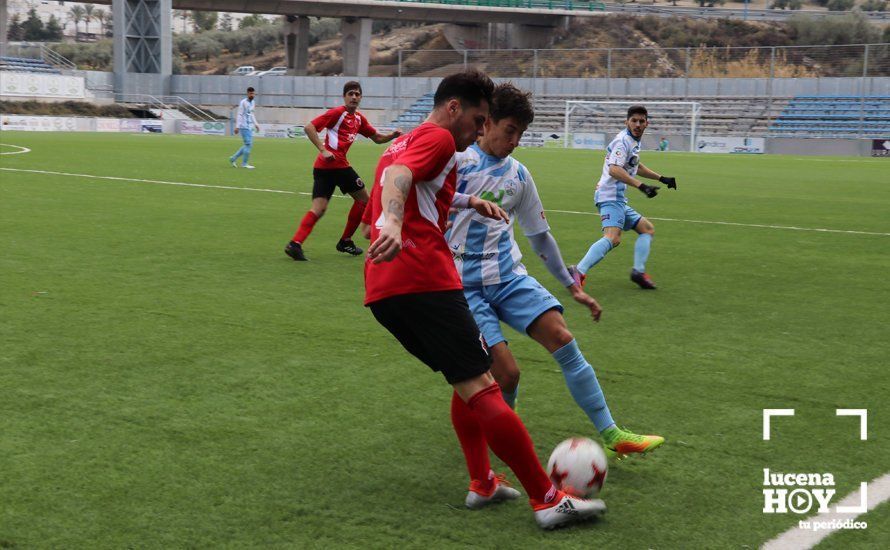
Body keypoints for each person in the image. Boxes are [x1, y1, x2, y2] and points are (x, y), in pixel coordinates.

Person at [362, 70, 605, 529]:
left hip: (385, 290)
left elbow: (409, 181)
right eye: (477, 120)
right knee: (486, 384)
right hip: (425, 280)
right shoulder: (436, 137)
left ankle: (483, 484)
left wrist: (468, 203)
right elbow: (398, 179)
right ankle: (548, 498)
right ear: (454, 107)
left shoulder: (405, 140)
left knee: (466, 378)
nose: (478, 131)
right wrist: (392, 223)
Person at [446, 84, 664, 460]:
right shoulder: (456, 162)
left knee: (562, 337)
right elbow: (424, 196)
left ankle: (613, 434)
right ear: (488, 123)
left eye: (521, 134)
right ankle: (500, 439)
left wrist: (572, 285)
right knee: (507, 374)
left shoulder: (519, 175)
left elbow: (540, 237)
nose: (514, 141)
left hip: (509, 278)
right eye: (509, 130)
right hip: (463, 287)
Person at [285, 81, 401, 261]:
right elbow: (309, 127)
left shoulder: (359, 119)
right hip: (334, 166)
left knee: (319, 208)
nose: (354, 97)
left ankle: (295, 244)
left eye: (357, 94)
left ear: (361, 97)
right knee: (365, 201)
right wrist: (323, 150)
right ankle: (346, 240)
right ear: (344, 96)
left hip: (328, 167)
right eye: (351, 94)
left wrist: (391, 136)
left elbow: (376, 138)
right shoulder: (337, 113)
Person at [573, 105, 678, 290]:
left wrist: (662, 178)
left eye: (641, 121)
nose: (637, 124)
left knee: (647, 229)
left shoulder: (632, 141)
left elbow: (636, 166)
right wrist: (641, 186)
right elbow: (614, 169)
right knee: (612, 237)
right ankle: (578, 271)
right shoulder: (622, 141)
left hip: (617, 198)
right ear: (626, 122)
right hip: (609, 196)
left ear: (647, 123)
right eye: (634, 121)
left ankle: (638, 272)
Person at [229, 87, 260, 169]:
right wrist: (237, 127)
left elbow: (252, 114)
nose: (252, 95)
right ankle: (244, 164)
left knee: (248, 145)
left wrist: (256, 124)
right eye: (250, 93)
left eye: (253, 93)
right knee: (248, 144)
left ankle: (233, 158)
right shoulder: (243, 102)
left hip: (250, 126)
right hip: (243, 126)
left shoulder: (253, 102)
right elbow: (240, 114)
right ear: (247, 93)